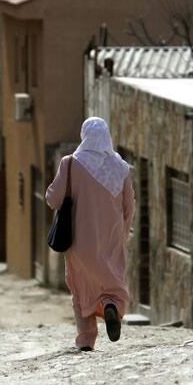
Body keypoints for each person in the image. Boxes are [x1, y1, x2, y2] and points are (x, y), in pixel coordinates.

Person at [45, 117, 135, 352]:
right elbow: (129, 207)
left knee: (81, 286)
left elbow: (53, 199)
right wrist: (121, 235)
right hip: (111, 241)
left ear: (84, 136)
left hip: (79, 242)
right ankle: (110, 305)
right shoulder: (121, 168)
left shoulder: (71, 163)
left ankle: (86, 339)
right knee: (111, 285)